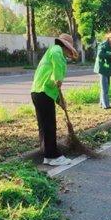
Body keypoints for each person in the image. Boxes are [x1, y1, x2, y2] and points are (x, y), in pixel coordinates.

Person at [31, 33, 78, 166]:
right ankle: (52, 156)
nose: (69, 54)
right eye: (69, 50)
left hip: (39, 92)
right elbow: (56, 79)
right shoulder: (57, 50)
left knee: (45, 125)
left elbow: (54, 86)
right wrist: (59, 78)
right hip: (43, 92)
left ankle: (47, 155)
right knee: (49, 125)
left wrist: (60, 101)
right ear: (66, 47)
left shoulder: (52, 52)